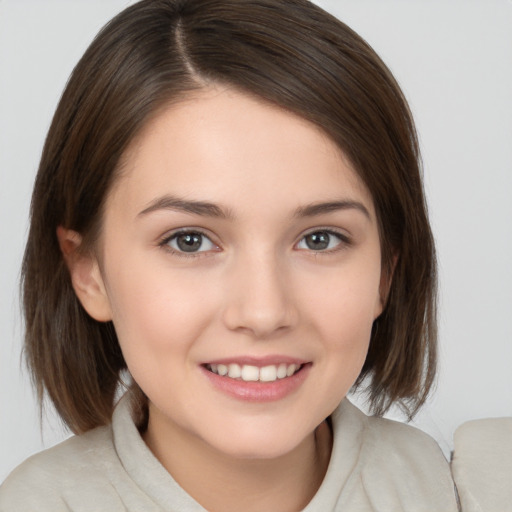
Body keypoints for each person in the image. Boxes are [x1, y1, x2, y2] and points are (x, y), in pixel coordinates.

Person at [0, 0, 460, 510]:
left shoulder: (467, 489)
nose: (263, 312)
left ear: (385, 272)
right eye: (189, 240)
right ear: (88, 272)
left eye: (320, 238)